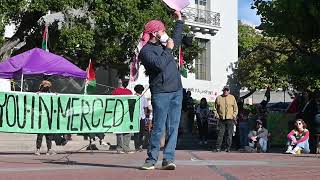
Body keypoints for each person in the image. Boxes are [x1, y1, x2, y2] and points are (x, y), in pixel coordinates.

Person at [138, 11, 184, 170]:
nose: (165, 34)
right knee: (158, 127)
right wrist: (168, 49)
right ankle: (151, 159)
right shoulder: (145, 51)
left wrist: (179, 21)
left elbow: (175, 40)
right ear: (154, 33)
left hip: (176, 91)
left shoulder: (165, 45)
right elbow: (159, 64)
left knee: (174, 127)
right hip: (161, 93)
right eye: (162, 31)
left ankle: (168, 159)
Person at [112, 78, 134, 154]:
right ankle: (119, 148)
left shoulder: (129, 91)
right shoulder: (116, 91)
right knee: (119, 131)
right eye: (125, 82)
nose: (126, 83)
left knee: (127, 131)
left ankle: (126, 147)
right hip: (118, 113)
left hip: (127, 113)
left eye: (127, 82)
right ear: (121, 82)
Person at [213, 86, 238, 152]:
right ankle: (218, 148)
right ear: (223, 90)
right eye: (224, 90)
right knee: (220, 134)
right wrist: (217, 115)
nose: (226, 91)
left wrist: (234, 115)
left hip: (230, 119)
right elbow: (215, 108)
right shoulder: (218, 98)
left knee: (229, 134)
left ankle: (228, 148)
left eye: (227, 90)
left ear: (229, 91)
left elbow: (236, 108)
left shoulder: (232, 98)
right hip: (221, 119)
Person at [35, 80, 56, 155]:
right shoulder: (39, 93)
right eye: (46, 86)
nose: (47, 87)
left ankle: (49, 149)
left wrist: (55, 95)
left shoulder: (50, 94)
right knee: (40, 135)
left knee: (49, 135)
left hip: (48, 117)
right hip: (41, 117)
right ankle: (38, 149)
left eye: (48, 86)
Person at [133, 84, 149, 151]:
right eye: (139, 90)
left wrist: (145, 115)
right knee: (136, 132)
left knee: (142, 132)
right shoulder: (133, 97)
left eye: (141, 90)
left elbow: (145, 107)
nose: (140, 91)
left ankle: (139, 145)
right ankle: (137, 146)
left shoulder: (143, 97)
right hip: (135, 117)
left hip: (142, 117)